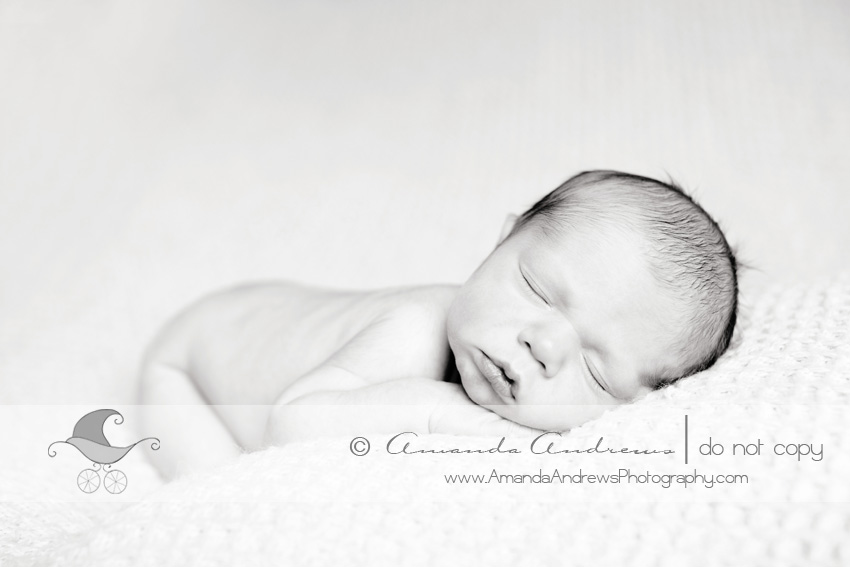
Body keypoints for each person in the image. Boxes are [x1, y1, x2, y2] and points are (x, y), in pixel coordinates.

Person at [137, 170, 738, 479]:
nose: (544, 343)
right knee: (224, 487)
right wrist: (437, 413)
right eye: (536, 289)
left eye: (596, 372)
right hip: (190, 358)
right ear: (500, 242)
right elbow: (292, 423)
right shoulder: (416, 327)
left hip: (268, 308)